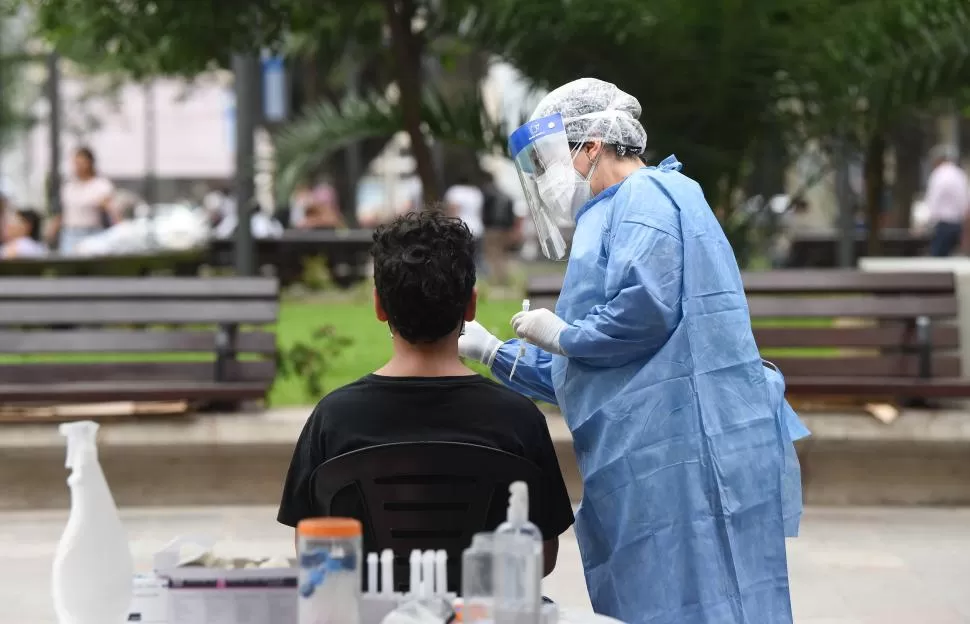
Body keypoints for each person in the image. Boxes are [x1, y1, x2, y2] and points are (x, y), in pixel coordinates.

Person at [459, 78, 808, 623]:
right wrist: (494, 352)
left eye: (549, 160)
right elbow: (583, 372)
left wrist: (562, 335)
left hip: (685, 449)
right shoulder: (612, 213)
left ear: (592, 145)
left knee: (708, 597)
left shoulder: (650, 197)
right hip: (651, 453)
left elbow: (643, 311)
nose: (547, 180)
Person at [277, 210, 575, 576]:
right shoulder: (520, 419)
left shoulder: (332, 418)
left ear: (379, 306)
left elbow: (310, 548)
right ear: (471, 305)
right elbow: (542, 558)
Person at [48, 147, 116, 254]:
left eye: (81, 163)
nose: (78, 167)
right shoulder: (69, 186)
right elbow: (62, 211)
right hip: (70, 233)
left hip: (93, 232)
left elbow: (111, 210)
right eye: (76, 163)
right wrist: (52, 230)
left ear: (90, 163)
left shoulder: (101, 185)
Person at [924, 145, 970, 257]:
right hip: (958, 223)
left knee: (938, 257)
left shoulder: (938, 174)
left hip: (943, 224)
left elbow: (933, 200)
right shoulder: (960, 174)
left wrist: (927, 222)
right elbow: (965, 200)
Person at [480, 174, 521, 285]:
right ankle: (504, 277)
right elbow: (511, 215)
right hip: (505, 229)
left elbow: (483, 211)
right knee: (503, 254)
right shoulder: (507, 196)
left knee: (492, 254)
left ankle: (495, 279)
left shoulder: (487, 194)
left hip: (491, 228)